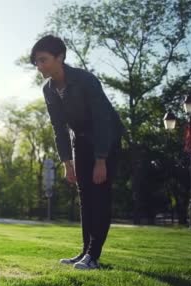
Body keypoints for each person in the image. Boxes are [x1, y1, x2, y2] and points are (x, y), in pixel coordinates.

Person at [30, 35, 125, 270]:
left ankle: (93, 256)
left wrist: (101, 159)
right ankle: (84, 252)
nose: (39, 66)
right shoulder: (49, 89)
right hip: (80, 140)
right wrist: (66, 162)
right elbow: (58, 127)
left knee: (99, 194)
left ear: (60, 57)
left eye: (43, 60)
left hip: (105, 138)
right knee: (85, 196)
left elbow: (103, 120)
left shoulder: (86, 80)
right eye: (36, 62)